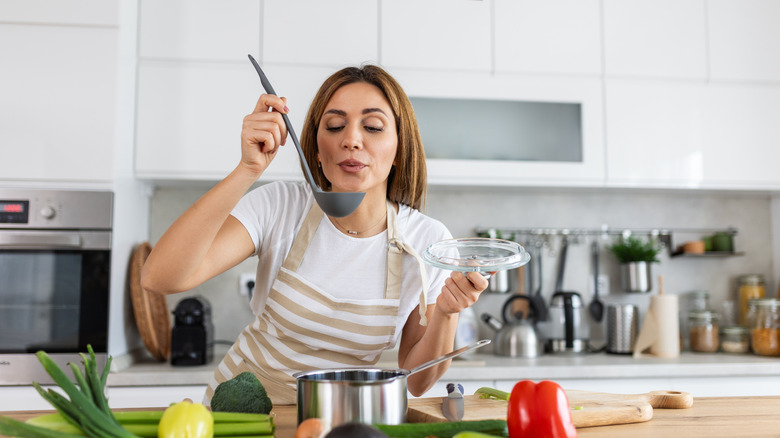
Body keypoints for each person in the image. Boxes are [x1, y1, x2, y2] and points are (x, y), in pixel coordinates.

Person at [141, 64, 488, 405]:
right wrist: (247, 170)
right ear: (318, 151)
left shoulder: (427, 240)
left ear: (399, 148)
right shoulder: (280, 206)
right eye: (335, 125)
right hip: (238, 414)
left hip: (334, 419)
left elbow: (417, 380)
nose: (351, 139)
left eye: (373, 126)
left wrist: (446, 310)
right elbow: (160, 277)